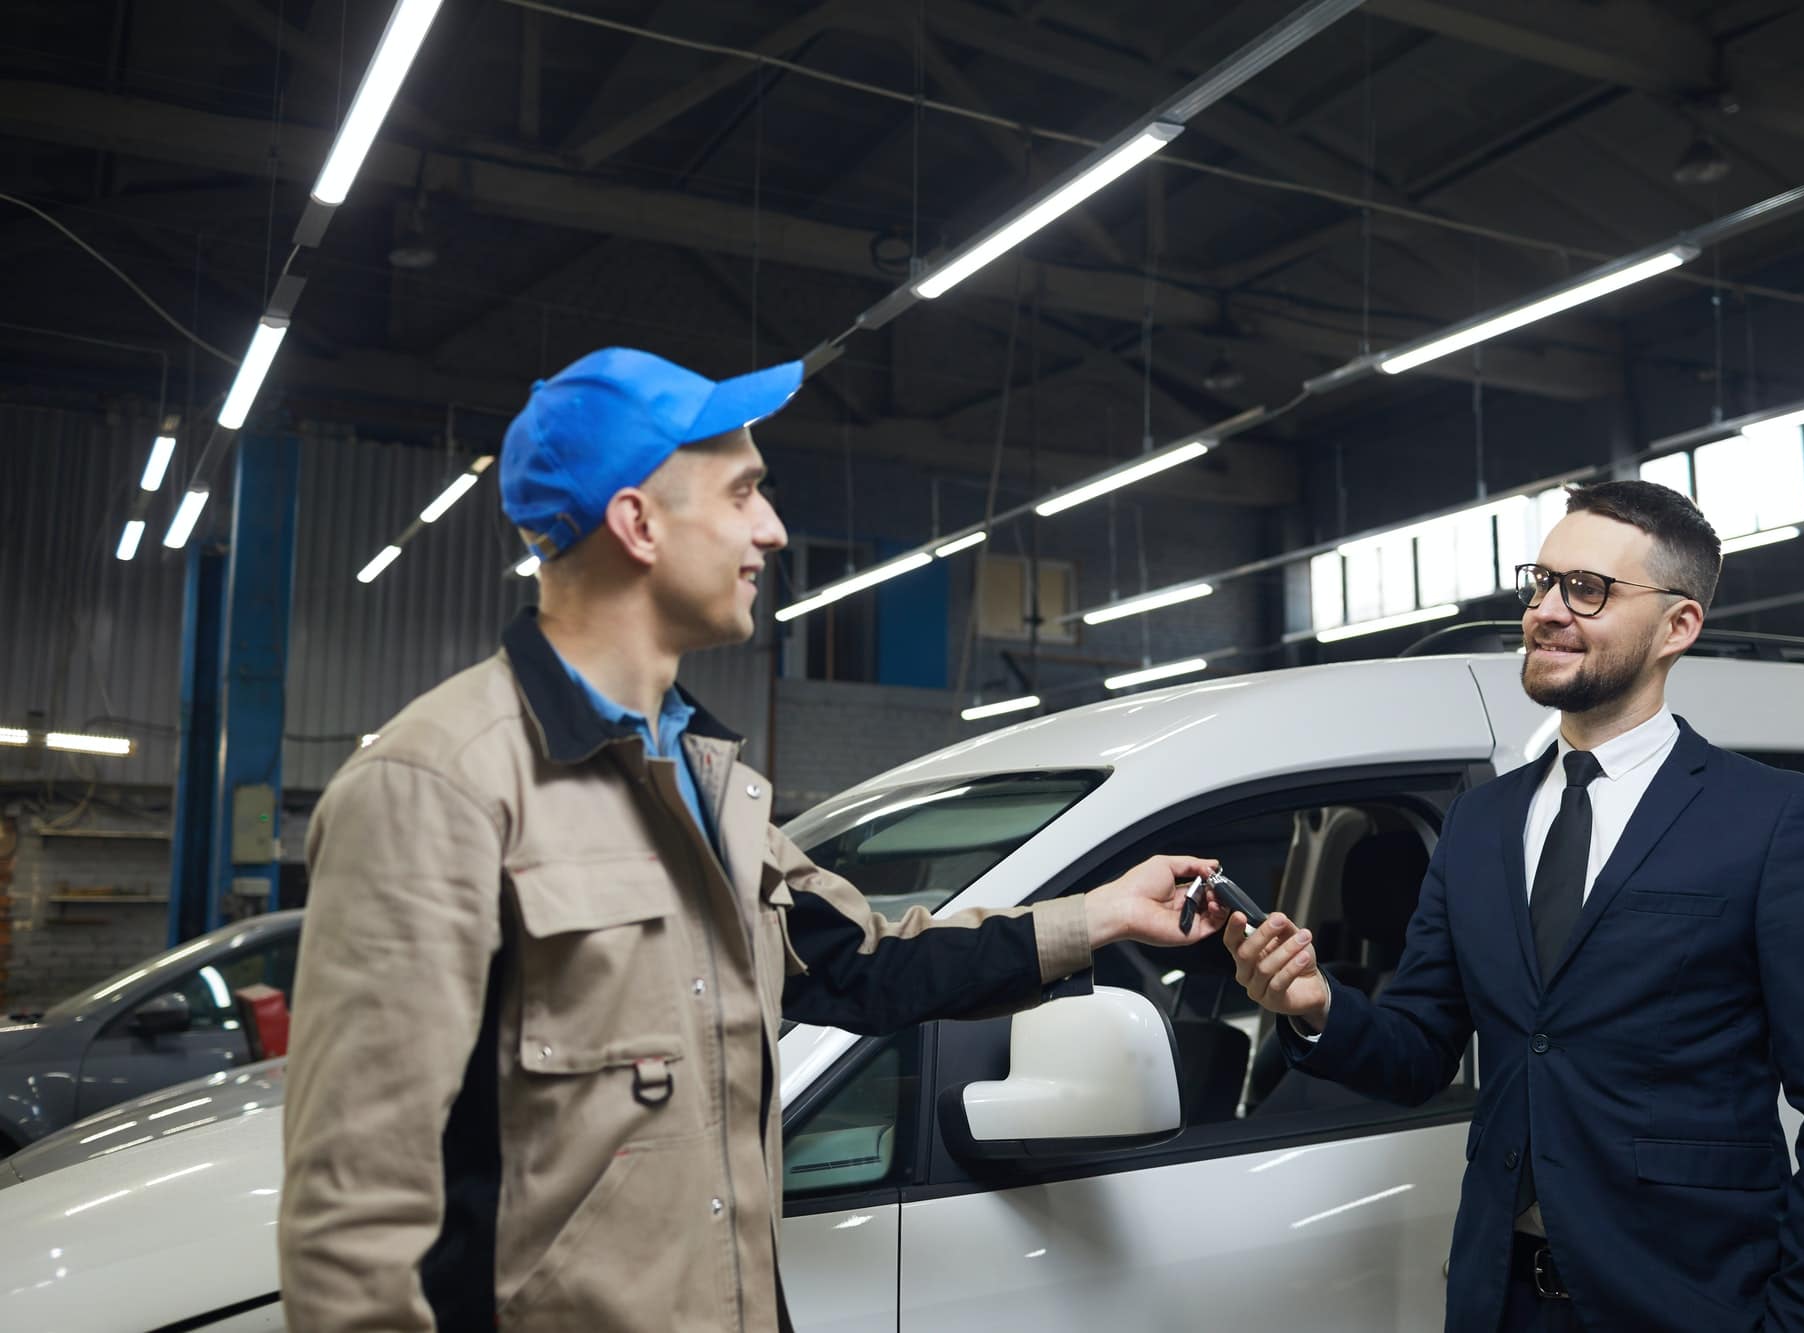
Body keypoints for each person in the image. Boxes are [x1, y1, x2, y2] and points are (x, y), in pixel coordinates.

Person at [278, 346, 1221, 1332]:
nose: (770, 530)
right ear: (637, 523)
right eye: (742, 494)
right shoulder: (438, 786)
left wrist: (1101, 915)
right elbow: (353, 1225)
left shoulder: (709, 786)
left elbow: (865, 963)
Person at [1220, 481, 1804, 1331]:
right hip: (1502, 1300)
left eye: (1586, 589)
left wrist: (1801, 1324)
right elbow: (1420, 1048)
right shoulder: (1482, 822)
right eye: (1540, 582)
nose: (1546, 609)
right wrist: (1318, 1007)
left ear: (1678, 626)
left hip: (1689, 1303)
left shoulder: (1769, 821)